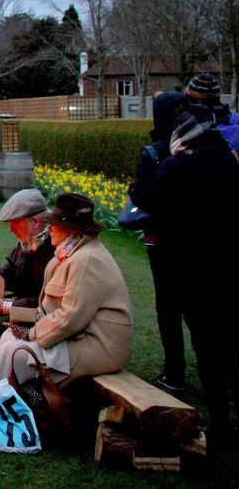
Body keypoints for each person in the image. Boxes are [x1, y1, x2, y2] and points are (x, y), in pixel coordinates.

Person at [0, 193, 133, 431]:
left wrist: (30, 334)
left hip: (99, 346)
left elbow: (70, 319)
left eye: (55, 224)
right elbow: (47, 310)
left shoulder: (85, 260)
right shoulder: (70, 254)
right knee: (9, 337)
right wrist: (18, 323)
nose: (50, 228)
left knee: (18, 352)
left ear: (71, 230)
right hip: (78, 337)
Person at [154, 109, 239, 451]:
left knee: (207, 349)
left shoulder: (174, 168)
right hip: (230, 268)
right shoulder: (230, 162)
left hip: (192, 272)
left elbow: (162, 223)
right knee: (231, 345)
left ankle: (220, 422)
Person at [127, 91, 189, 391]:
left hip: (163, 238)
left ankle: (175, 371)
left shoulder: (155, 153)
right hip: (199, 239)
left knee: (168, 305)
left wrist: (133, 190)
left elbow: (144, 195)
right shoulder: (201, 149)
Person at [0, 189, 54, 360]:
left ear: (36, 222)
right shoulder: (29, 242)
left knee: (1, 325)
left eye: (16, 223)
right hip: (24, 303)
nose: (11, 229)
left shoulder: (53, 249)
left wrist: (7, 305)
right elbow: (13, 271)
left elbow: (47, 302)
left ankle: (10, 369)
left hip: (41, 312)